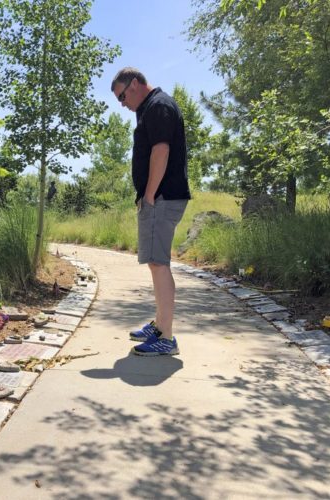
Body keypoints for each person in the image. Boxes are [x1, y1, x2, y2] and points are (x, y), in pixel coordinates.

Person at [111, 67, 190, 356]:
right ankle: (160, 326)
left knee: (159, 263)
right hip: (160, 196)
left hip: (162, 196)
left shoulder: (158, 106)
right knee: (156, 263)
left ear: (134, 84)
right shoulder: (151, 108)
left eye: (122, 96)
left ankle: (166, 338)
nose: (122, 103)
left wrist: (149, 194)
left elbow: (161, 150)